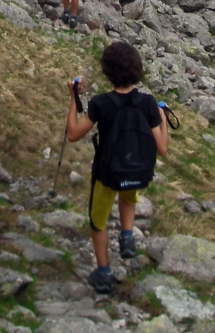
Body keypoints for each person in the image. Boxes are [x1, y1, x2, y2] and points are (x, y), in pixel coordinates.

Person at [65, 42, 169, 294]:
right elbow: (162, 148)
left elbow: (73, 134)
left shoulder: (102, 103)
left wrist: (73, 98)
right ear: (136, 69)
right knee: (128, 197)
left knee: (98, 220)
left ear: (107, 71)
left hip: (107, 172)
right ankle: (126, 237)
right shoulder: (147, 103)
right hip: (136, 172)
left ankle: (103, 272)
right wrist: (163, 118)